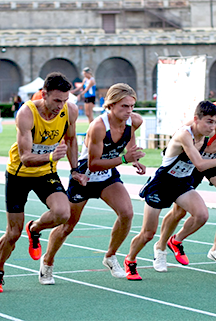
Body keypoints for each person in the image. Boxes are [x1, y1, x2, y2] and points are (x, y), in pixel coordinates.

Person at [123, 101, 216, 280]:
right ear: (196, 119)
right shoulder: (184, 134)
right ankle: (130, 259)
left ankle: (175, 240)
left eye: (215, 122)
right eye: (208, 121)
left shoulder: (212, 131)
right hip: (162, 183)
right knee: (148, 233)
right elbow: (199, 164)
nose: (212, 126)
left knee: (202, 216)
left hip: (182, 183)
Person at [0, 72, 83, 293]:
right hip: (19, 174)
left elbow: (71, 140)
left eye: (65, 100)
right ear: (44, 94)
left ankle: (35, 228)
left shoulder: (70, 111)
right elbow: (26, 158)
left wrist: (75, 169)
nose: (61, 105)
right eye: (56, 100)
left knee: (63, 213)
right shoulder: (26, 113)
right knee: (13, 233)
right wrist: (51, 156)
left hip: (46, 173)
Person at [41, 83, 145, 283]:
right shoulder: (98, 126)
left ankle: (110, 256)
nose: (129, 111)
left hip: (107, 175)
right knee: (68, 225)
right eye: (124, 106)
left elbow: (129, 137)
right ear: (111, 105)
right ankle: (47, 262)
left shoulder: (134, 121)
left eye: (132, 106)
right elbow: (94, 164)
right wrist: (125, 159)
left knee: (127, 213)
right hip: (85, 176)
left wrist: (135, 159)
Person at [154, 78, 216, 270]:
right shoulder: (211, 112)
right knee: (179, 210)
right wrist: (206, 150)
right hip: (194, 161)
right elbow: (181, 137)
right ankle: (160, 247)